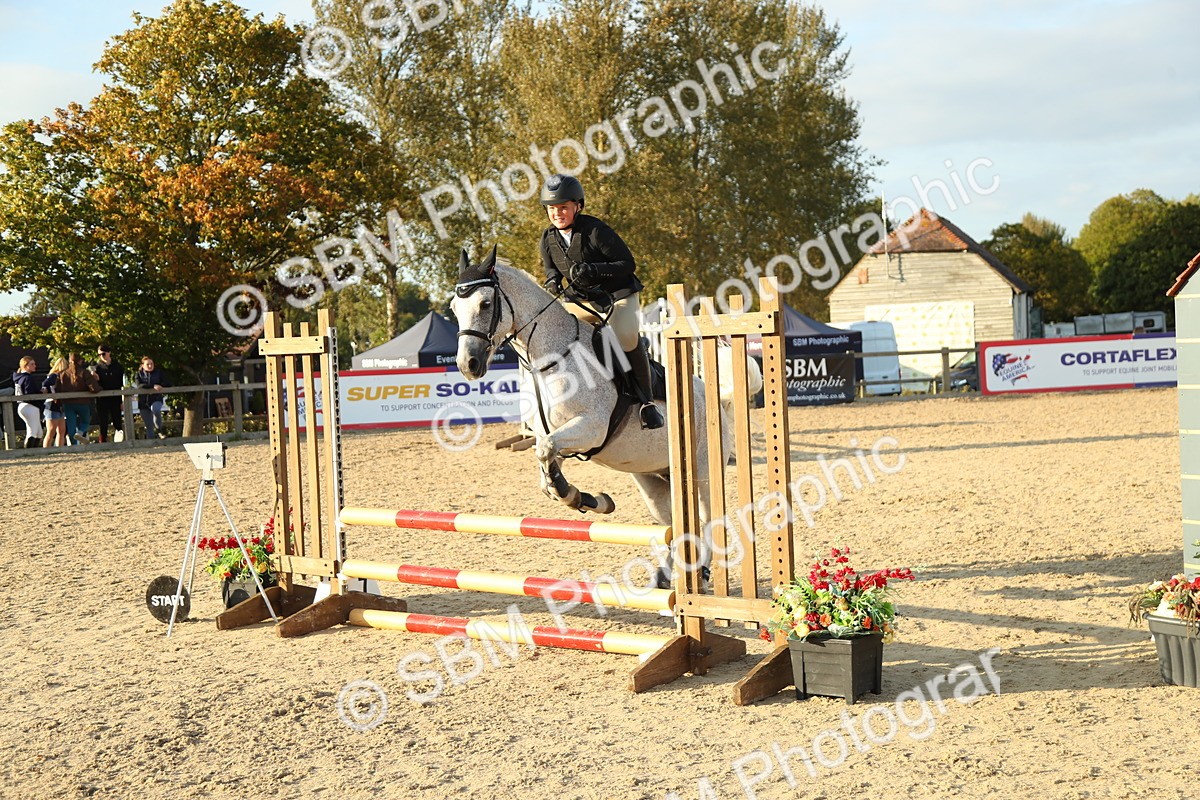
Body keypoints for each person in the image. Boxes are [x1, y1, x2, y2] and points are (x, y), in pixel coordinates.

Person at [538, 174, 663, 429]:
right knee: (555, 331)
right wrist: (552, 282)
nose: (557, 213)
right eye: (553, 208)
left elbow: (628, 264)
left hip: (617, 295)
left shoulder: (596, 230)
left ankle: (647, 402)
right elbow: (551, 269)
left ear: (578, 206)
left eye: (563, 207)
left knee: (625, 334)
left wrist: (596, 270)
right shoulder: (548, 239)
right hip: (582, 301)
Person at [60, 353, 100, 445]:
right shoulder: (84, 372)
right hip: (83, 402)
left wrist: (59, 402)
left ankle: (74, 445)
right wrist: (98, 384)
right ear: (80, 361)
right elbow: (94, 388)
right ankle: (80, 432)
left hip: (68, 403)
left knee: (71, 425)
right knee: (85, 421)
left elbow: (58, 388)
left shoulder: (63, 374)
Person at [94, 344, 126, 443]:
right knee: (103, 421)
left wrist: (122, 400)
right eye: (99, 355)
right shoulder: (97, 368)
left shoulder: (118, 366)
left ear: (109, 353)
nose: (101, 356)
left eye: (103, 354)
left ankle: (120, 440)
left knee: (117, 420)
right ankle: (102, 441)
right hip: (102, 398)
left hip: (116, 397)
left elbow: (122, 383)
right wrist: (95, 379)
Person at [12, 356, 44, 448]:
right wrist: (41, 393)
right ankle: (29, 451)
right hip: (29, 406)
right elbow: (29, 393)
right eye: (32, 364)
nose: (35, 366)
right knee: (33, 431)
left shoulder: (20, 377)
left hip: (22, 405)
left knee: (38, 432)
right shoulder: (27, 378)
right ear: (25, 366)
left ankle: (34, 451)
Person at [136, 356, 170, 439]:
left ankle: (159, 430)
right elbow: (139, 385)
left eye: (152, 364)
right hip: (143, 401)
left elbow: (167, 382)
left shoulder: (158, 373)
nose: (150, 366)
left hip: (156, 398)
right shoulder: (139, 374)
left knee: (155, 409)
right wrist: (152, 386)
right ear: (143, 365)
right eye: (148, 364)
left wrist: (160, 385)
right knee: (149, 425)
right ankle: (151, 444)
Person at [41, 357, 67, 448]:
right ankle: (46, 449)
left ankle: (59, 449)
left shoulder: (61, 377)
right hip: (52, 404)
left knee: (61, 430)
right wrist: (50, 393)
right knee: (51, 431)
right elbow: (45, 384)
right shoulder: (54, 376)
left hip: (59, 404)